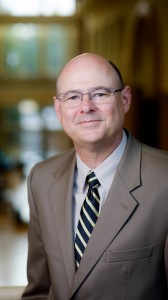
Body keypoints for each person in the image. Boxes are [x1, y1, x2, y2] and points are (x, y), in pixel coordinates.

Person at [22, 53, 168, 300]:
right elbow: (39, 290)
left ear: (125, 99)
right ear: (59, 109)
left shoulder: (164, 180)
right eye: (73, 97)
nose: (86, 107)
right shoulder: (41, 178)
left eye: (99, 94)